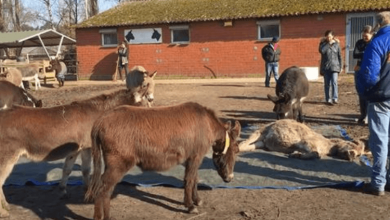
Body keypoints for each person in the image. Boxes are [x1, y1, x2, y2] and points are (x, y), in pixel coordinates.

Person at [356, 11, 390, 196]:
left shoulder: (377, 43)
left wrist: (364, 92)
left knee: (380, 140)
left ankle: (378, 183)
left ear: (377, 25)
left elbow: (369, 75)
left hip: (381, 98)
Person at [353, 25, 374, 124]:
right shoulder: (359, 43)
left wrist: (364, 54)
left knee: (370, 94)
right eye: (363, 34)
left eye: (367, 34)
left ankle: (369, 116)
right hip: (359, 69)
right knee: (361, 93)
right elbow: (355, 54)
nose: (364, 36)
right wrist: (366, 54)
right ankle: (363, 114)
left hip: (371, 70)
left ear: (372, 34)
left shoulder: (375, 43)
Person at [319, 30, 343, 105]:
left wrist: (341, 66)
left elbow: (340, 56)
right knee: (327, 84)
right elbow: (322, 51)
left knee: (334, 82)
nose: (329, 38)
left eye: (330, 36)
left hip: (335, 67)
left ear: (333, 36)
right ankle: (328, 99)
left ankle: (335, 98)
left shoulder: (337, 45)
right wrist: (328, 44)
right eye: (327, 36)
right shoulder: (322, 44)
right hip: (326, 67)